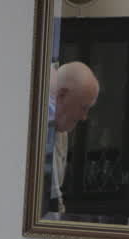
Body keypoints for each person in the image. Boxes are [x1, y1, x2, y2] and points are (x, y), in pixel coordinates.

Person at [45, 60, 99, 214]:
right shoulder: (43, 121)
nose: (84, 117)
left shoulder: (61, 125)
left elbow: (56, 200)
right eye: (83, 108)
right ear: (62, 94)